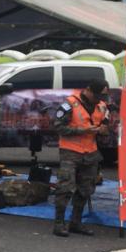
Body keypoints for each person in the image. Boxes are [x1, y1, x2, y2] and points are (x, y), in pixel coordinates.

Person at [51, 78, 110, 237]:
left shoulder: (102, 107)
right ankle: (59, 223)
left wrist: (104, 132)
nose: (99, 99)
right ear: (89, 90)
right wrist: (82, 130)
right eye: (97, 95)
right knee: (65, 187)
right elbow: (58, 127)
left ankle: (76, 222)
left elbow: (105, 132)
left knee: (85, 189)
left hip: (90, 152)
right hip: (70, 151)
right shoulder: (69, 104)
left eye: (102, 96)